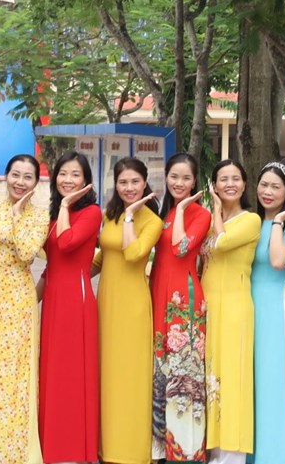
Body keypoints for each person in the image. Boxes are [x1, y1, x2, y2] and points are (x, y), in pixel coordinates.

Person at [0, 154, 50, 464]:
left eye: (27, 177)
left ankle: (15, 450)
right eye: (15, 174)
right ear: (6, 176)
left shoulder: (40, 216)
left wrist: (17, 215)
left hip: (18, 301)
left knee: (17, 373)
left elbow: (26, 253)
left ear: (35, 183)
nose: (20, 182)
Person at [38, 152, 101, 464]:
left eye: (76, 174)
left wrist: (64, 206)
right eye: (63, 173)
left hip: (76, 299)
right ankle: (52, 446)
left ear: (86, 180)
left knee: (72, 372)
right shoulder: (51, 214)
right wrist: (29, 299)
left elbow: (65, 243)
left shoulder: (91, 213)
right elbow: (50, 263)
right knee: (52, 371)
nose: (68, 180)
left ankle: (73, 450)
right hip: (53, 298)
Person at [97, 157, 160, 464]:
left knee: (131, 377)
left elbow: (133, 254)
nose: (129, 187)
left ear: (145, 183)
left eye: (135, 181)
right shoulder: (109, 215)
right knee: (107, 374)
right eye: (123, 182)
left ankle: (132, 451)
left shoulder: (151, 221)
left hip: (133, 306)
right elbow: (103, 257)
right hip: (106, 302)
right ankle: (108, 448)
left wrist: (131, 217)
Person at [151, 152, 210, 462]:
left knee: (183, 375)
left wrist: (184, 208)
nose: (179, 183)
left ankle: (186, 450)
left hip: (183, 301)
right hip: (159, 295)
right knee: (162, 371)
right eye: (174, 176)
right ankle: (161, 447)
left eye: (186, 178)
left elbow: (180, 248)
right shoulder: (165, 213)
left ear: (194, 181)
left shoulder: (200, 214)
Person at [202, 159, 261, 464]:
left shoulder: (251, 220)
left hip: (236, 307)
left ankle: (232, 456)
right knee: (210, 376)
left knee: (233, 377)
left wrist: (215, 210)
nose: (229, 184)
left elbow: (221, 242)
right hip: (209, 305)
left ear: (244, 184)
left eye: (235, 178)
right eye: (223, 179)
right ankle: (212, 452)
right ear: (214, 184)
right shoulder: (206, 221)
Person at [250, 160, 285, 464]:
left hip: (276, 307)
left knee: (274, 381)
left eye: (275, 187)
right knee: (253, 381)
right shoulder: (251, 222)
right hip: (249, 306)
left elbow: (279, 260)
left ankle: (275, 456)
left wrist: (279, 222)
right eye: (264, 185)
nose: (267, 192)